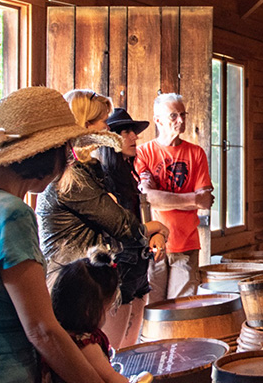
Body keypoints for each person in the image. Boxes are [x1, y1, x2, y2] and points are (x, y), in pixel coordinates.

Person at [0, 86, 123, 383]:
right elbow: (41, 330)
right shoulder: (11, 213)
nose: (69, 160)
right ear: (47, 155)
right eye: (67, 150)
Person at [36, 92, 165, 348]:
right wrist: (159, 227)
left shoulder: (88, 171)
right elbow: (122, 224)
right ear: (84, 126)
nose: (108, 127)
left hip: (88, 279)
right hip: (73, 284)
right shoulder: (71, 177)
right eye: (103, 121)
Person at [135, 93, 213, 300]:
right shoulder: (143, 153)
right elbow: (148, 197)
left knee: (181, 310)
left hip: (186, 244)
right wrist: (192, 199)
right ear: (158, 120)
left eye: (183, 115)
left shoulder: (196, 153)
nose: (180, 120)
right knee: (151, 310)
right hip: (153, 243)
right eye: (173, 116)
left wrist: (163, 198)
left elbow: (205, 201)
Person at [96, 107, 161, 348]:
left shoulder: (130, 176)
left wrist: (156, 235)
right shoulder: (103, 178)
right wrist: (156, 228)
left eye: (133, 132)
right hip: (119, 269)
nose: (134, 137)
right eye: (126, 132)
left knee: (131, 346)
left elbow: (138, 220)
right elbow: (116, 228)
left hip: (139, 266)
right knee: (115, 349)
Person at [43, 248, 130, 383]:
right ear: (89, 310)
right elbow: (113, 379)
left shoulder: (58, 334)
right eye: (106, 309)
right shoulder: (85, 344)